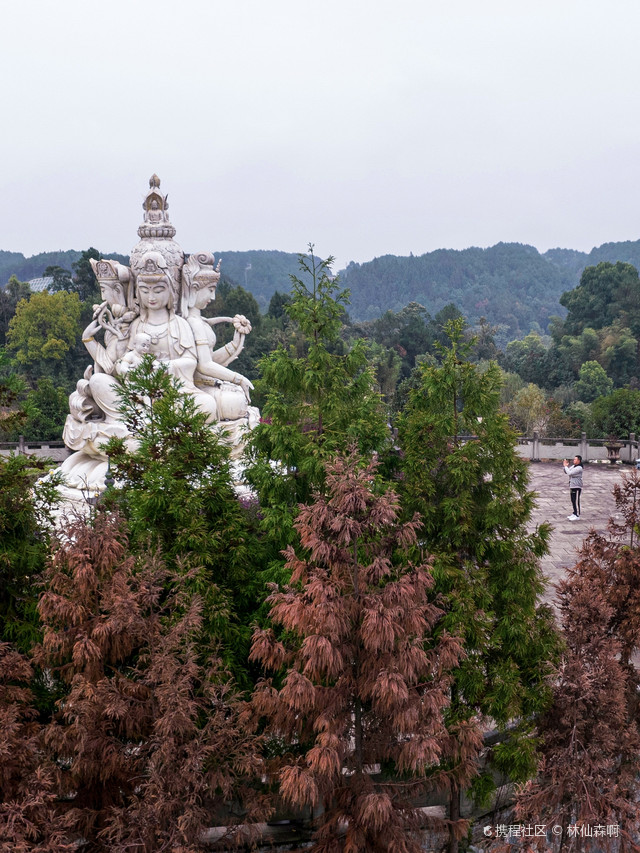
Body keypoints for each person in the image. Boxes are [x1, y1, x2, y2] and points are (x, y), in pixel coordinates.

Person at [563, 455, 583, 520]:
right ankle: (574, 513)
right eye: (574, 459)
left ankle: (577, 515)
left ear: (579, 461)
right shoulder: (574, 466)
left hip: (577, 486)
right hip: (572, 485)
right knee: (572, 500)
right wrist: (565, 466)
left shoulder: (579, 468)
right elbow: (566, 471)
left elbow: (570, 473)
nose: (574, 460)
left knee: (576, 500)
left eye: (575, 459)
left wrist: (566, 466)